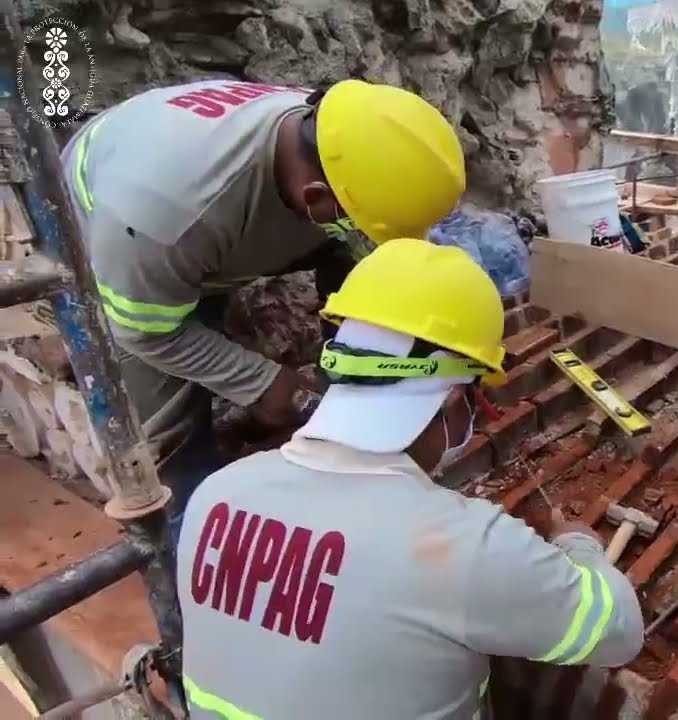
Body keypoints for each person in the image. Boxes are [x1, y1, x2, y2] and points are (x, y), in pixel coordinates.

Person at [176, 239, 645, 718]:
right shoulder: (463, 546)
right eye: (476, 398)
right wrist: (579, 546)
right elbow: (620, 631)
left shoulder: (216, 493)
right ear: (451, 400)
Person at [59, 78, 466, 537]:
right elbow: (143, 332)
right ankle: (193, 555)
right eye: (358, 219)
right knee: (173, 440)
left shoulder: (338, 133)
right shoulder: (164, 221)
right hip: (126, 247)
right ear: (315, 198)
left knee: (342, 253)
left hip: (197, 212)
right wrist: (261, 383)